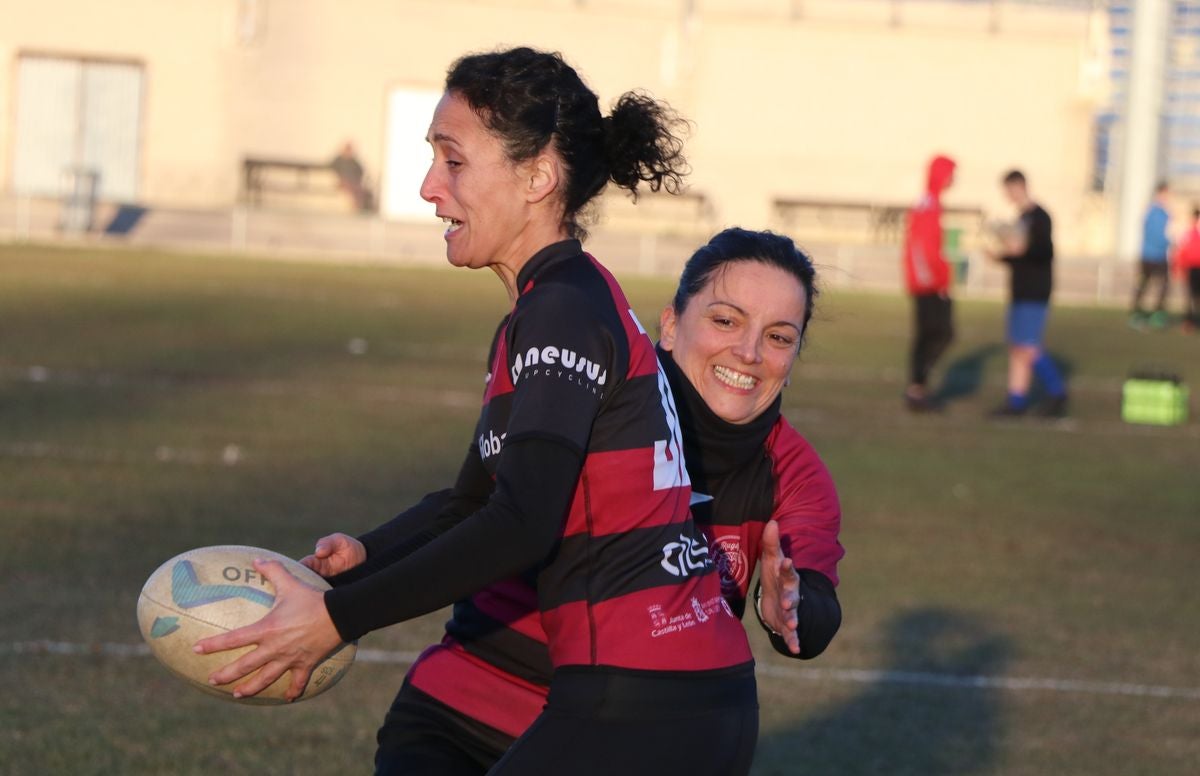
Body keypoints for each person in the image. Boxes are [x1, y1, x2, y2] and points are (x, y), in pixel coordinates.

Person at [195, 47, 759, 775]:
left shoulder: (561, 311)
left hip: (646, 703)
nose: (431, 186)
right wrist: (365, 558)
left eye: (453, 160)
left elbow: (521, 523)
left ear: (537, 177)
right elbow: (475, 500)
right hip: (656, 698)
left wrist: (336, 621)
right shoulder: (556, 303)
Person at [310, 228, 844, 774]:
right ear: (669, 323)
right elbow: (474, 502)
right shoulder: (597, 393)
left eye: (779, 337)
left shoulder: (793, 472)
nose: (750, 352)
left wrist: (788, 612)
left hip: (616, 733)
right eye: (725, 320)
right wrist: (368, 553)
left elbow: (816, 608)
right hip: (464, 707)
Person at [986, 170, 1068, 418]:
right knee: (1016, 347)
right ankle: (1016, 401)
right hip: (1019, 291)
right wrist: (1002, 257)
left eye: (1010, 189)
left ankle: (1057, 391)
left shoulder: (1040, 217)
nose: (1008, 195)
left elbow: (1044, 252)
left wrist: (1021, 249)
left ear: (1020, 186)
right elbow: (1019, 257)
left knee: (1029, 348)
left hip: (1035, 291)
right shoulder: (1020, 217)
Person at [902, 155, 957, 412]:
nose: (953, 179)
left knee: (931, 335)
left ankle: (917, 389)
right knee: (940, 333)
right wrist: (935, 280)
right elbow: (922, 247)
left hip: (929, 281)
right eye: (950, 173)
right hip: (930, 284)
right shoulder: (929, 205)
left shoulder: (931, 203)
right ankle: (917, 388)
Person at [1130, 181, 1172, 330]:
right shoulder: (1152, 212)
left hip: (1161, 256)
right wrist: (1169, 242)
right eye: (1166, 193)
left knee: (1165, 285)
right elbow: (1154, 234)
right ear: (1159, 193)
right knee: (1143, 283)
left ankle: (1158, 314)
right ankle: (1136, 313)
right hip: (1149, 255)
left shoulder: (1166, 213)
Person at [1174, 205, 1200, 333]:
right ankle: (1189, 321)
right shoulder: (1188, 233)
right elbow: (1181, 251)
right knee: (1190, 296)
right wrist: (1179, 268)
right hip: (1191, 268)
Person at [332, 141, 372, 212]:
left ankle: (361, 207)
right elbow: (332, 170)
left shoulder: (354, 161)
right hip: (343, 182)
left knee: (363, 191)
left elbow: (361, 171)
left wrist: (358, 180)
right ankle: (357, 206)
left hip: (355, 182)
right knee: (352, 189)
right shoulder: (338, 160)